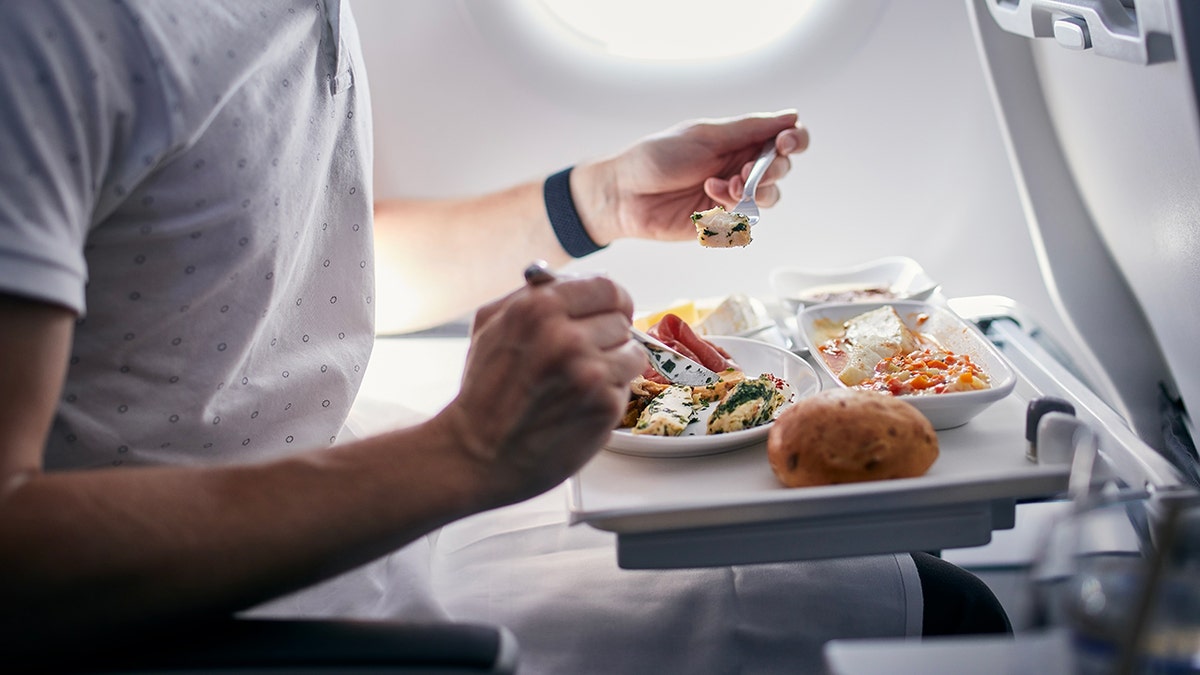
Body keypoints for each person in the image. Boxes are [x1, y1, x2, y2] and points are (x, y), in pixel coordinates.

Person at [0, 1, 1007, 671]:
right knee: (953, 625)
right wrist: (466, 451)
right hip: (225, 603)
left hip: (364, 490)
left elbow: (296, 268)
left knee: (914, 572)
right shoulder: (52, 36)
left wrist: (593, 200)